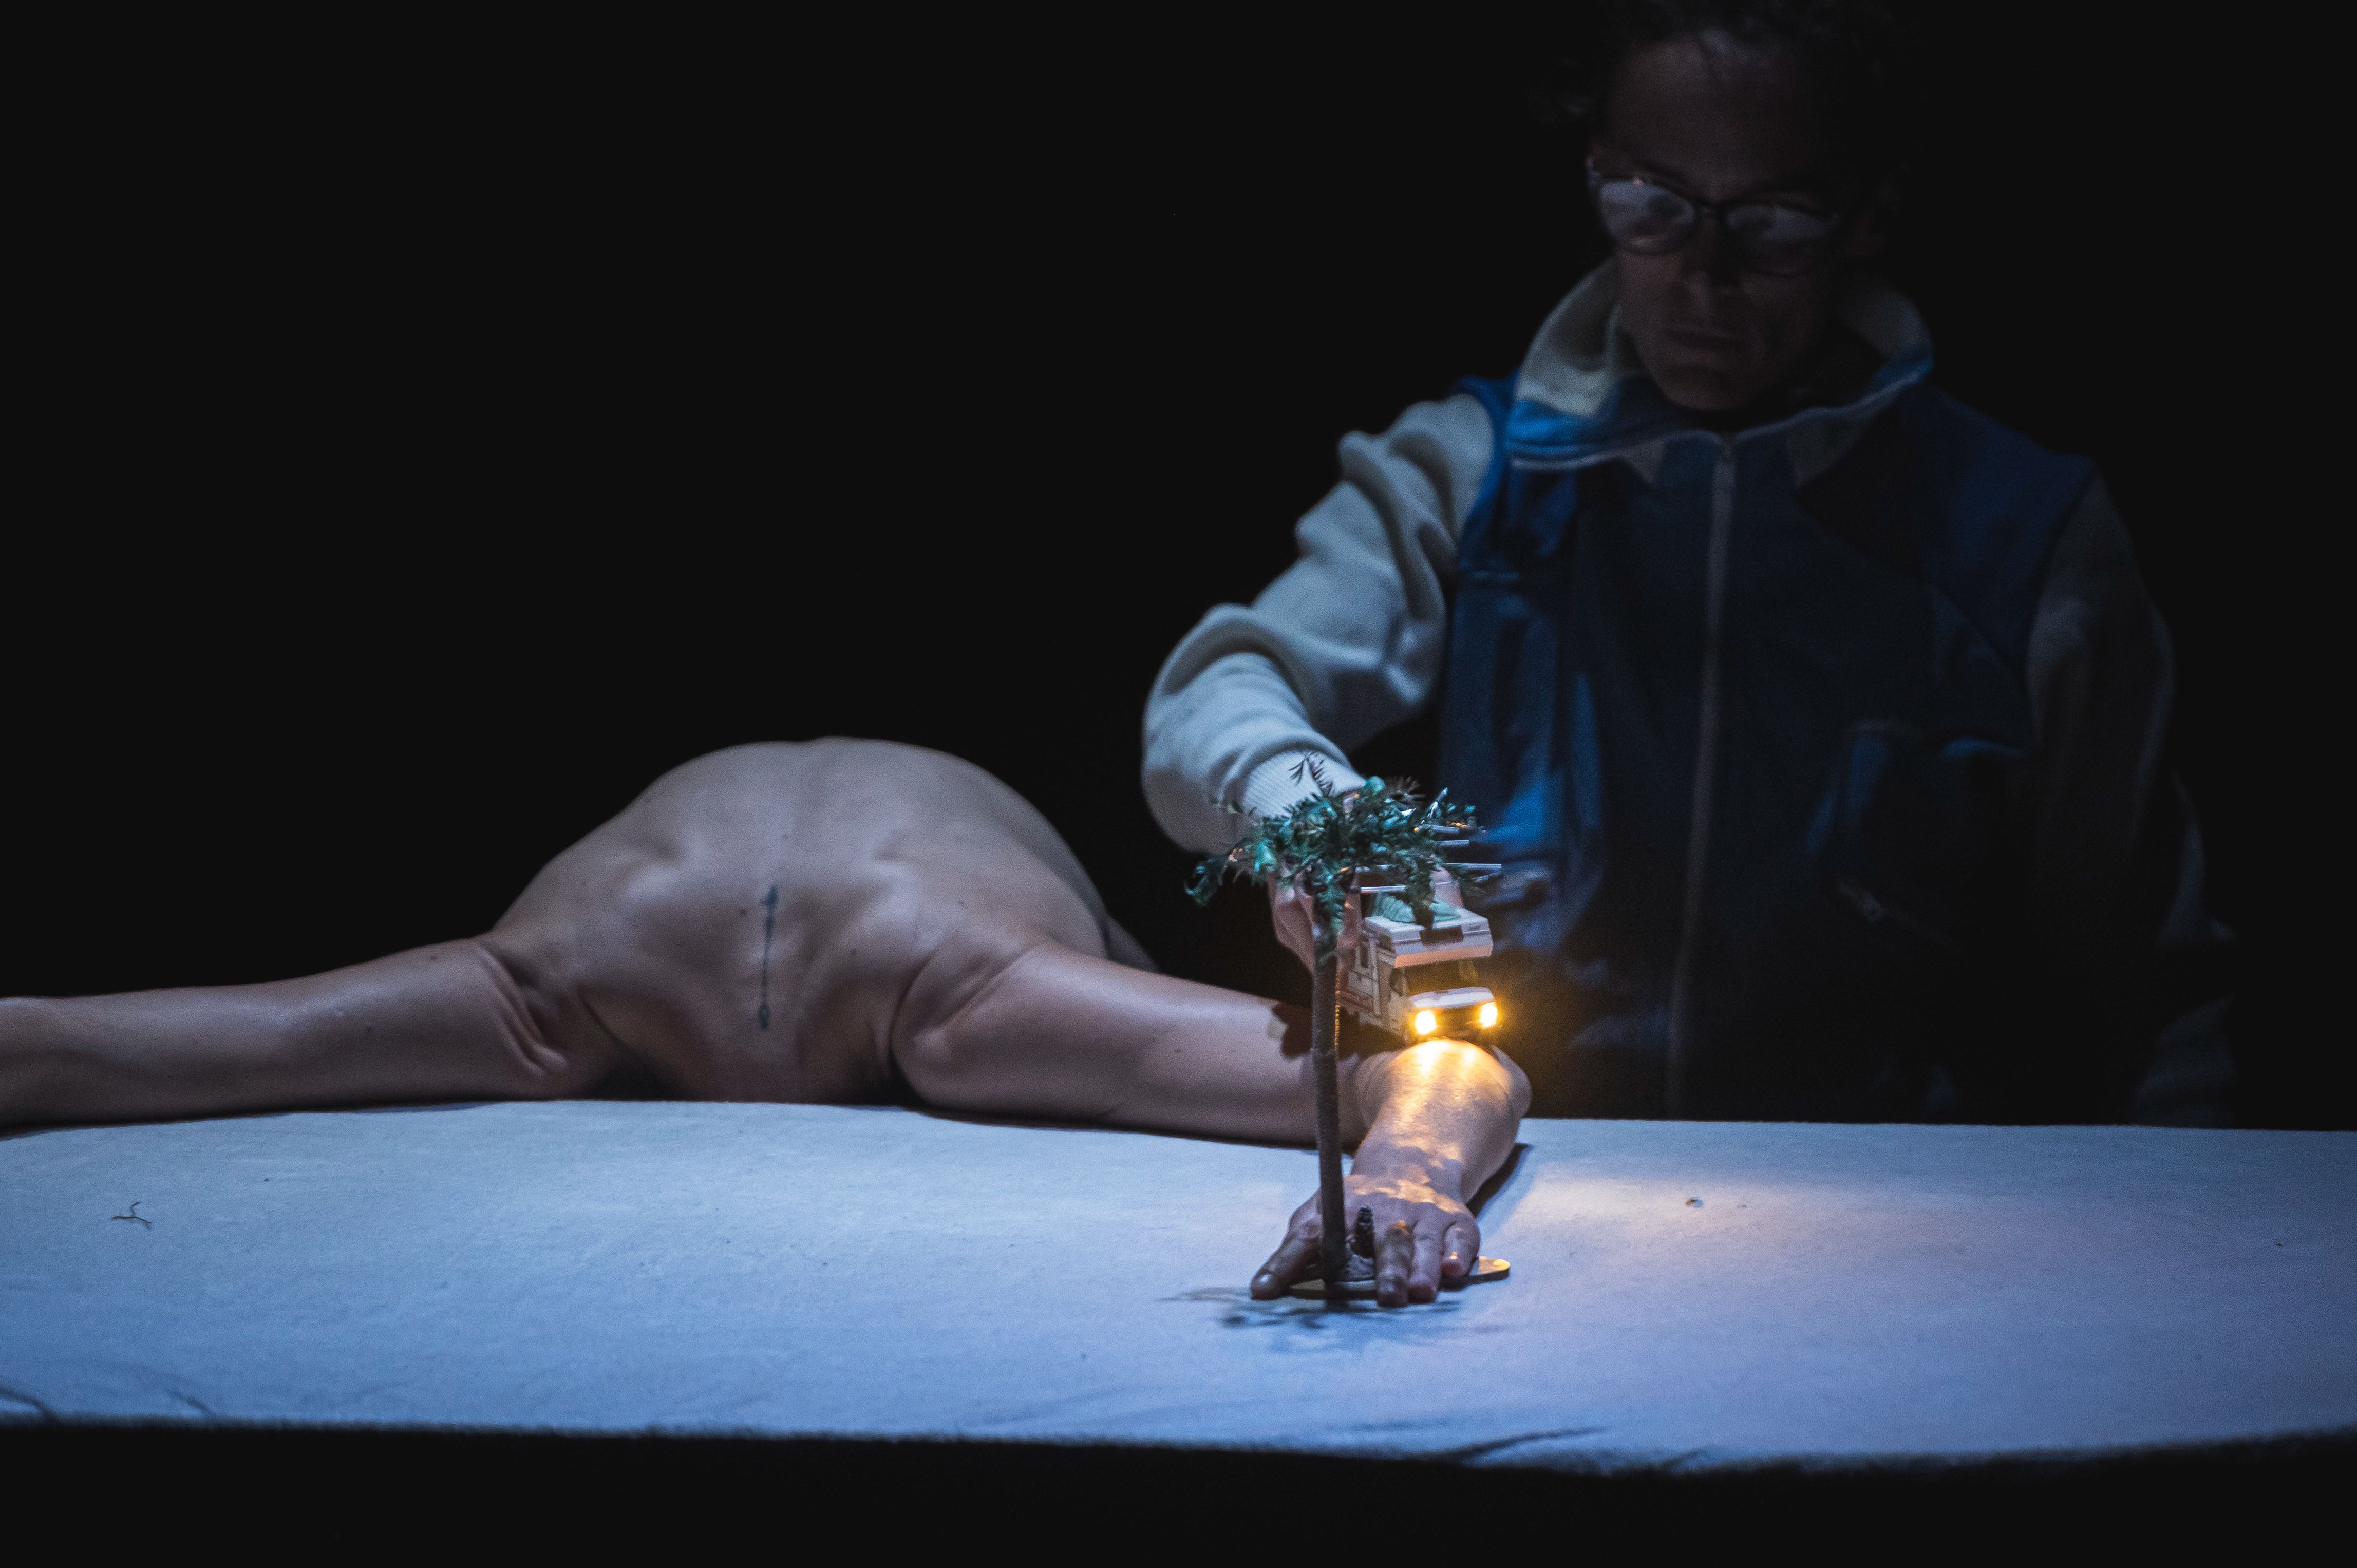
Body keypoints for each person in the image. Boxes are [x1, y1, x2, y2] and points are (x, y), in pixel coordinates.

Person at [1144, 0, 2232, 1124]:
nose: (1706, 275)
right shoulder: (1470, 470)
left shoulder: (2025, 533)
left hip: (1894, 1193)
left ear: (1868, 211)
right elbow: (1214, 691)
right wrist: (1321, 822)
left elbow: (2157, 989)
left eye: (1775, 220)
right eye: (1653, 204)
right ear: (1595, 174)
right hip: (1526, 1155)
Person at [0, 740, 1526, 1307]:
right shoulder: (982, 998)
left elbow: (78, 1038)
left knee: (152, 1042)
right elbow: (1457, 1056)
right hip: (897, 943)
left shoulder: (572, 980)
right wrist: (1406, 1172)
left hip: (620, 934)